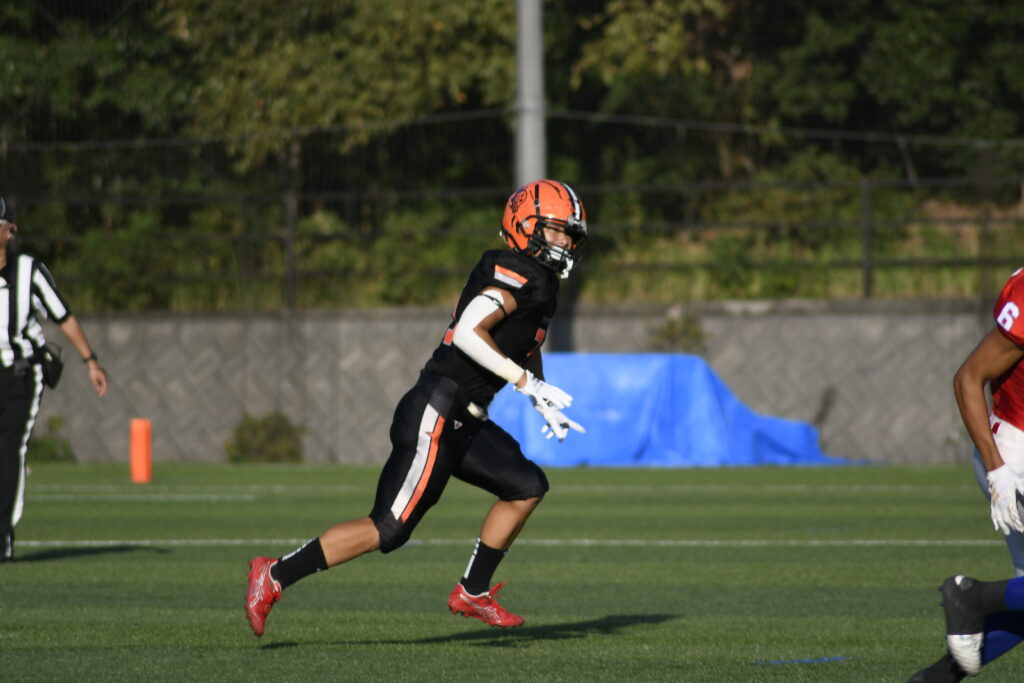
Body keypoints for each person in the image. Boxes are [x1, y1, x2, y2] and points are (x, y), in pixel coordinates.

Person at [245, 179, 588, 636]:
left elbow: (526, 343)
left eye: (569, 233)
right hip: (438, 409)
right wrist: (526, 382)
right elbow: (469, 333)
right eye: (556, 229)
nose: (565, 241)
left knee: (526, 485)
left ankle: (473, 592)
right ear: (525, 227)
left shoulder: (542, 283)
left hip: (465, 418)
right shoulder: (517, 272)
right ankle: (273, 575)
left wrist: (539, 396)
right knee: (388, 528)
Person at [909, 267, 1024, 680]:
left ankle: (937, 678)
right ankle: (973, 598)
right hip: (1014, 454)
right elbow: (968, 379)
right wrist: (997, 471)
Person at [0, 197, 109, 562]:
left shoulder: (29, 271)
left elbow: (63, 316)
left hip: (20, 374)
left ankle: (2, 535)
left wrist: (90, 361)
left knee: (9, 450)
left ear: (10, 231)